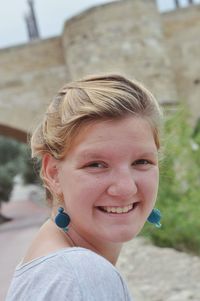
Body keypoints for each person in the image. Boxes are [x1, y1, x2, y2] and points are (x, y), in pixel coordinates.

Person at [6, 74, 163, 301]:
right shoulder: (80, 275)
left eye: (142, 162)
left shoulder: (55, 267)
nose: (126, 188)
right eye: (96, 165)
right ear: (53, 173)